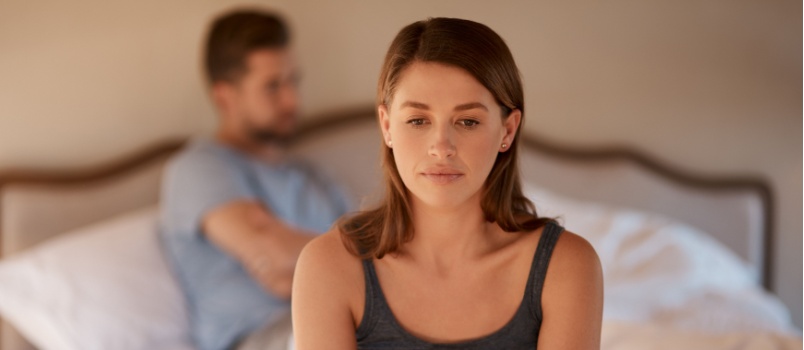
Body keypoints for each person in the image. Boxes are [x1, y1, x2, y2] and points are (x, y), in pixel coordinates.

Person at [292, 17, 603, 349]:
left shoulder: (565, 266)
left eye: (467, 121)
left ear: (507, 131)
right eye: (418, 120)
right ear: (387, 126)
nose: (441, 147)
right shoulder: (329, 267)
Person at [159, 9, 351, 350]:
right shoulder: (198, 168)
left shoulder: (311, 175)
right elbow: (274, 251)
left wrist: (303, 269)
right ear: (225, 97)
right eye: (272, 87)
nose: (292, 99)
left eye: (294, 80)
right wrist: (333, 263)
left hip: (343, 320)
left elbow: (376, 256)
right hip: (262, 336)